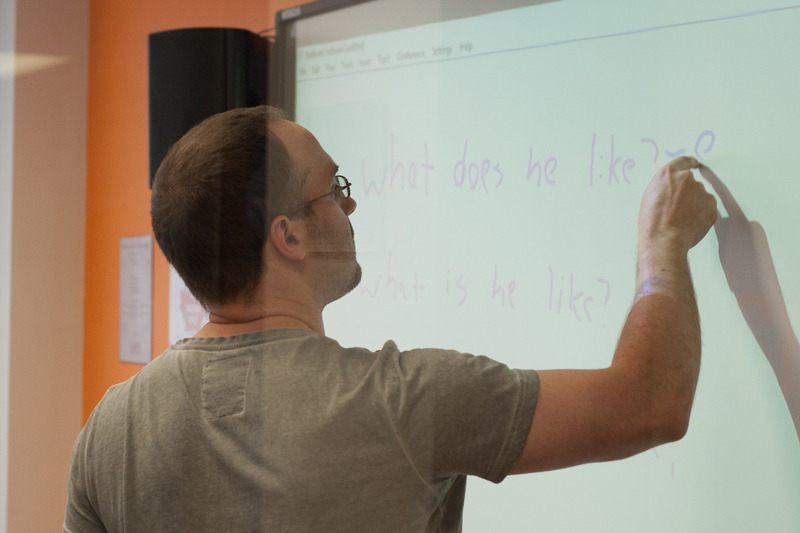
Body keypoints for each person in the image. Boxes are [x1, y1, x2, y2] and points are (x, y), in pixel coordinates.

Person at [64, 105, 717, 532]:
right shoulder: (404, 402)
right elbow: (650, 402)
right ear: (289, 236)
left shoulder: (108, 432)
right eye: (334, 187)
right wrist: (661, 247)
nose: (349, 204)